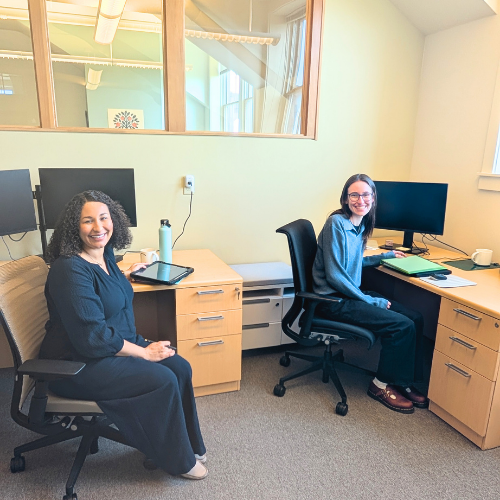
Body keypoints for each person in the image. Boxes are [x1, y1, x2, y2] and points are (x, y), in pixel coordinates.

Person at [39, 190, 207, 479]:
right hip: (76, 364)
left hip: (108, 347)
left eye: (104, 218)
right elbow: (92, 337)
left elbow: (99, 283)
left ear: (114, 219)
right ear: (73, 227)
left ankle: (188, 443)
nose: (98, 227)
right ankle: (178, 460)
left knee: (179, 366)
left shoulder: (103, 256)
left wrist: (126, 274)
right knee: (162, 379)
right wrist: (144, 352)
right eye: (87, 221)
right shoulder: (68, 270)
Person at [312, 174, 427, 414]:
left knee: (415, 318)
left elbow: (352, 263)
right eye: (354, 194)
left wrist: (383, 257)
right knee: (400, 326)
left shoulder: (360, 224)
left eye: (366, 195)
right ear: (345, 198)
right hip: (334, 300)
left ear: (373, 198)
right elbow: (335, 275)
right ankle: (380, 385)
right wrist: (370, 300)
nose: (360, 200)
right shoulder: (336, 224)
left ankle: (403, 382)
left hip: (350, 294)